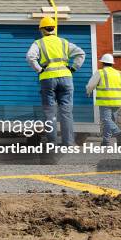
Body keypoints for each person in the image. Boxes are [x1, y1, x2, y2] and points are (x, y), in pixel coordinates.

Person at [26, 17, 85, 146]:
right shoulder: (64, 42)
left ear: (42, 29)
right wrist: (73, 68)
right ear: (54, 28)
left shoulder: (38, 43)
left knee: (50, 112)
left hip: (48, 79)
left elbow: (30, 57)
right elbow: (81, 53)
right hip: (66, 78)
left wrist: (39, 69)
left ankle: (52, 142)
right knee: (66, 112)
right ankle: (68, 143)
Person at [86, 54, 121, 145]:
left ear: (102, 63)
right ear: (112, 63)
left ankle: (118, 133)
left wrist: (88, 91)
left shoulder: (100, 72)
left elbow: (91, 85)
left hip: (105, 101)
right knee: (110, 121)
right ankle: (106, 141)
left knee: (106, 120)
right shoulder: (120, 74)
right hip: (117, 102)